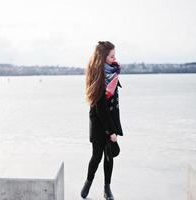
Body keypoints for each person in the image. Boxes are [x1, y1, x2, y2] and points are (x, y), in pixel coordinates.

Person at [81, 41, 124, 200]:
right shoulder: (97, 76)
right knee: (97, 155)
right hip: (99, 121)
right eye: (111, 56)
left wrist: (114, 128)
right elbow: (100, 109)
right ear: (103, 57)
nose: (114, 58)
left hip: (111, 118)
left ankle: (107, 188)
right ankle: (88, 181)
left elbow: (113, 102)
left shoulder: (113, 72)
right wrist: (111, 131)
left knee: (109, 156)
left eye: (114, 55)